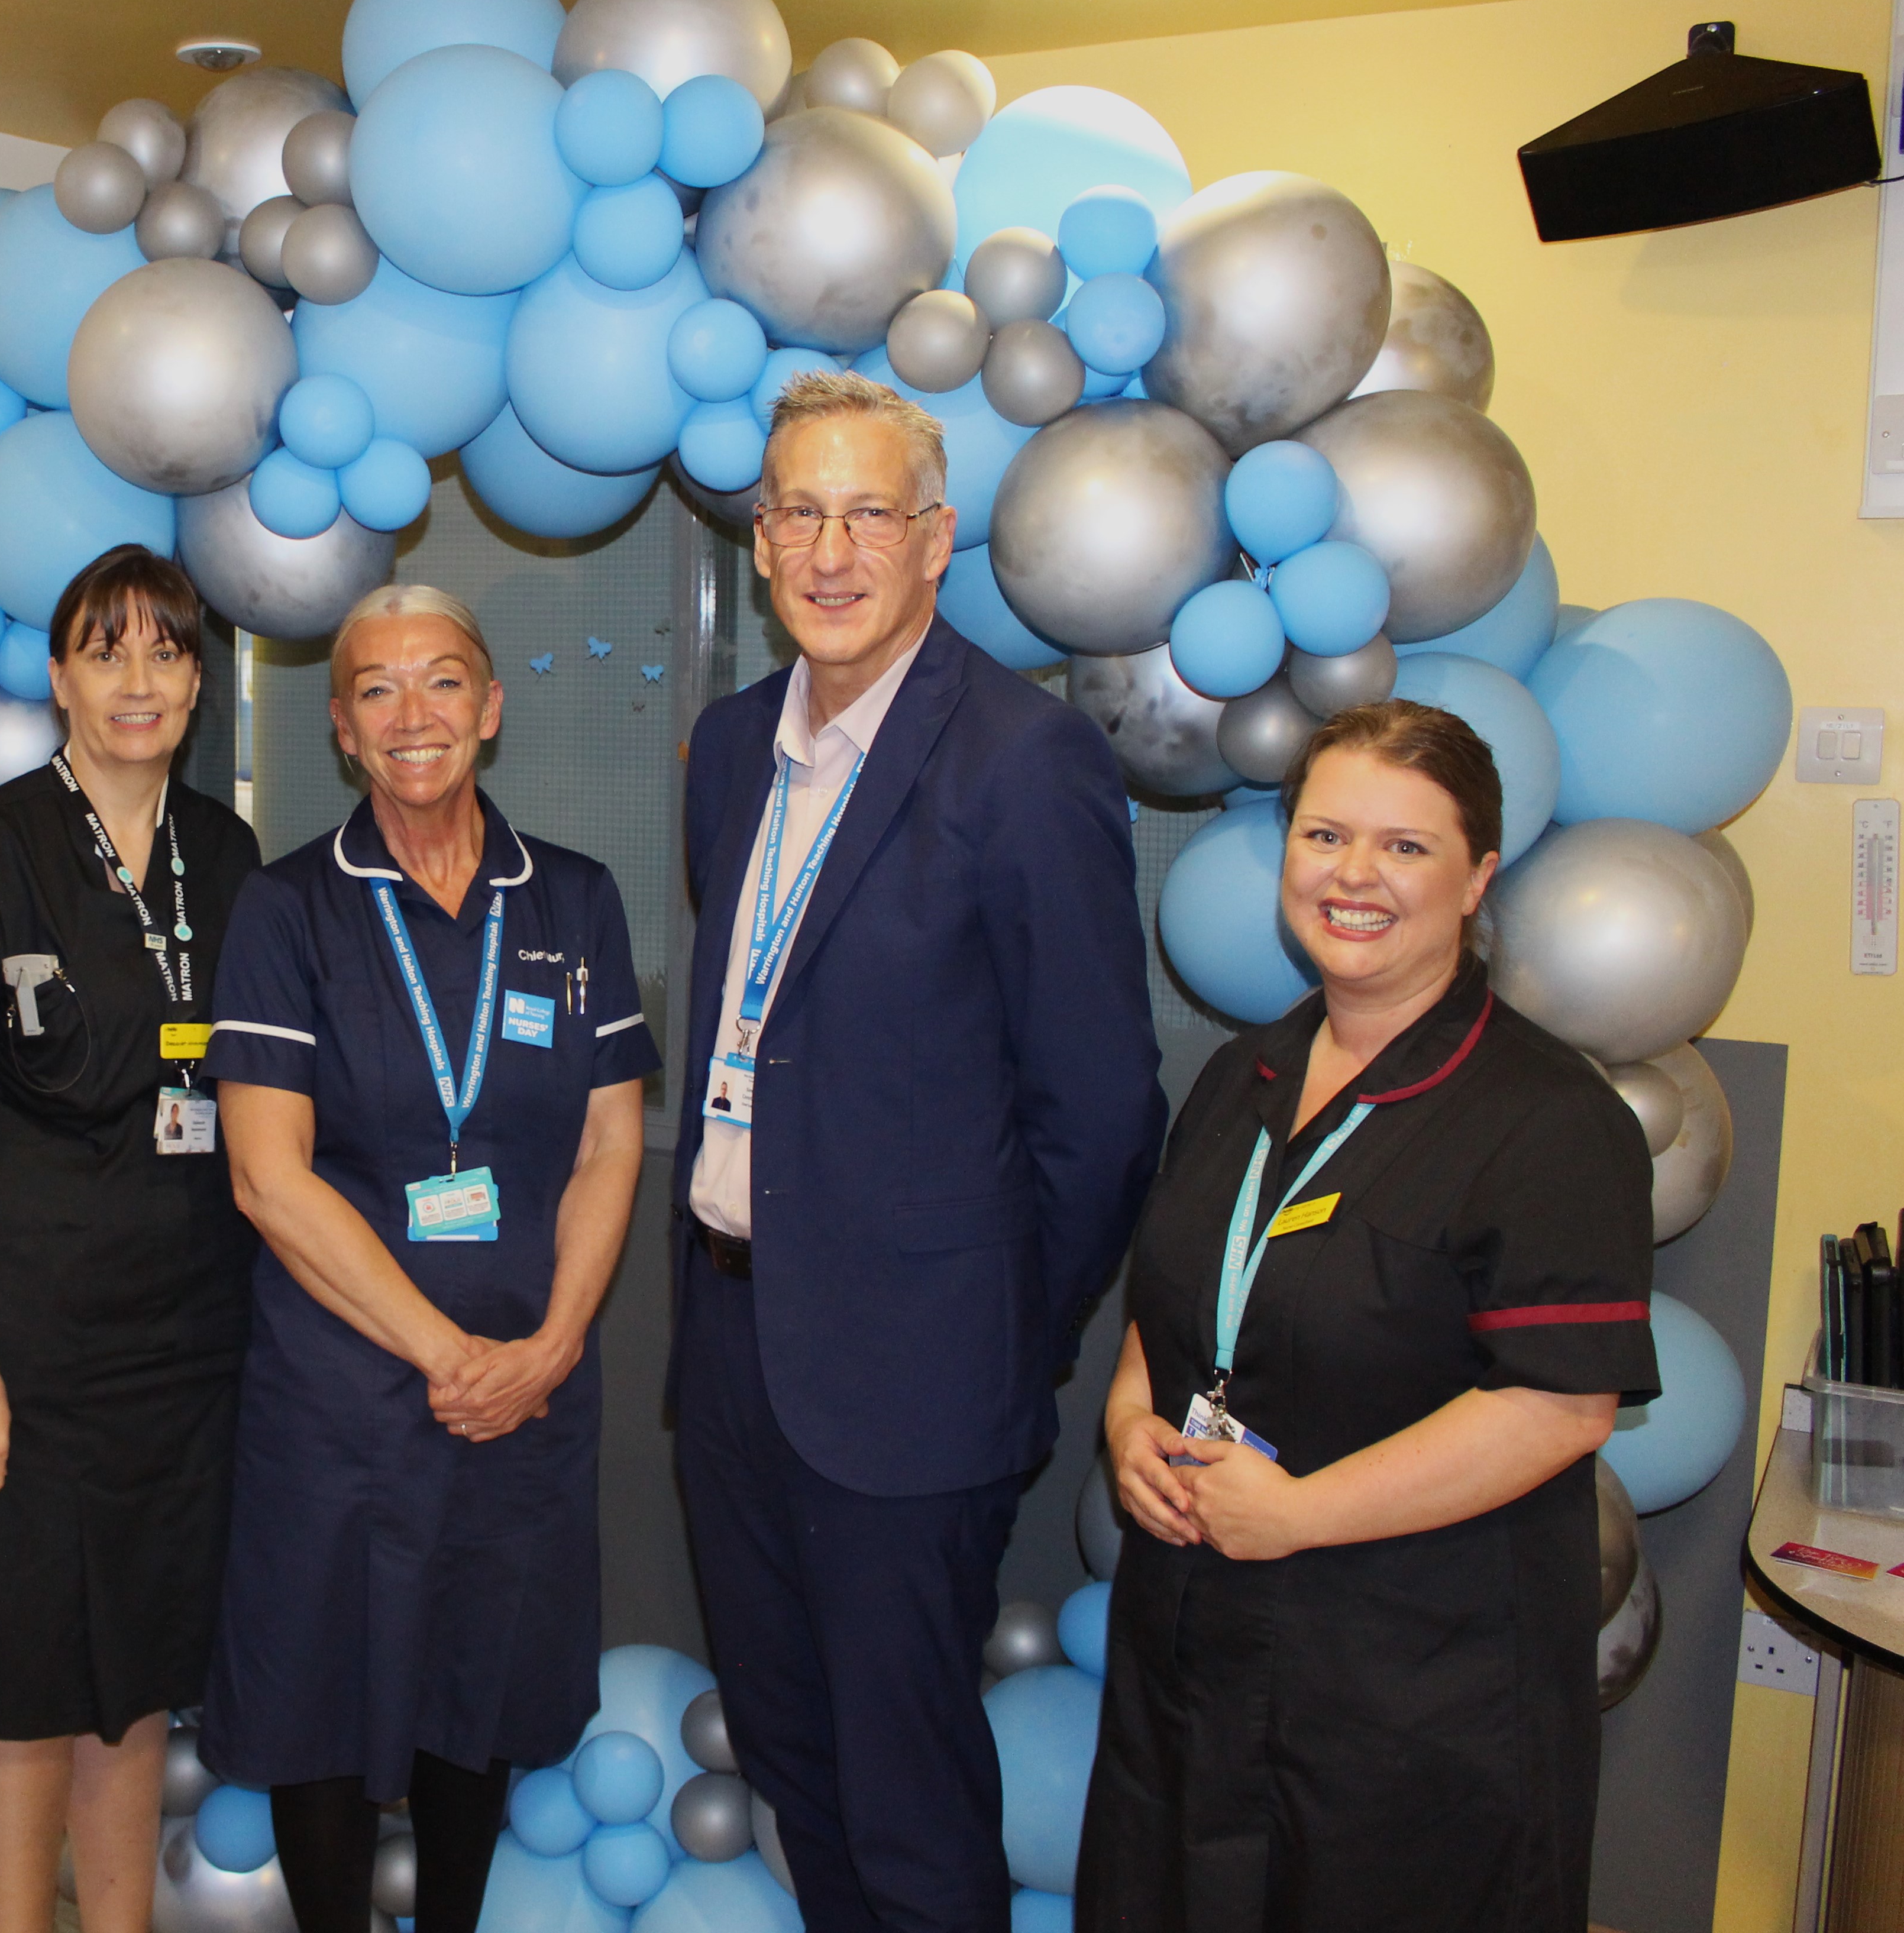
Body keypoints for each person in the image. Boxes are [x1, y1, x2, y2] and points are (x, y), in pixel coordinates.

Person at [670, 371, 1166, 1932]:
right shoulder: (732, 748)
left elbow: (1101, 1118)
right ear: (759, 545)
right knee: (797, 1764)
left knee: (910, 1799)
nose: (830, 549)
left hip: (913, 1379)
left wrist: (1001, 1342)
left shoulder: (1023, 764)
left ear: (936, 538)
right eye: (797, 513)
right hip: (735, 1339)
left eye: (868, 512)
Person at [1078, 701, 1658, 1933]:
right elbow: (1178, 1305)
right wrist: (1131, 1426)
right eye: (1326, 834)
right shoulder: (1246, 1074)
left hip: (1411, 1695)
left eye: (1405, 847)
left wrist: (1296, 1517)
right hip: (1194, 1659)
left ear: (1477, 878)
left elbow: (1562, 1407)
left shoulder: (1549, 1120)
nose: (1353, 876)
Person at [203, 584, 660, 1933]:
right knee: (323, 1712)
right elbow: (267, 1177)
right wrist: (449, 1355)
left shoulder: (575, 901)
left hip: (528, 1385)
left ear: (492, 708)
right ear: (341, 727)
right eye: (380, 690)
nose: (416, 715)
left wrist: (554, 1346)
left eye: (445, 681)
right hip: (344, 1399)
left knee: (485, 1689)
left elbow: (608, 1148)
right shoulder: (287, 913)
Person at [0, 548, 263, 1933]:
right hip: (24, 1341)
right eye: (108, 652)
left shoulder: (227, 854)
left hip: (184, 1343)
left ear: (201, 679)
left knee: (135, 1680)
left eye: (166, 652)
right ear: (59, 677)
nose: (138, 682)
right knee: (17, 1691)